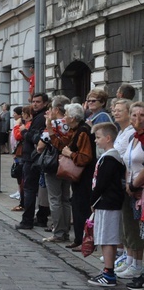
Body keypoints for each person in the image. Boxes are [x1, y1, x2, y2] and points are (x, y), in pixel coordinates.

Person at [87, 123, 126, 287]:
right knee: (104, 236)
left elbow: (102, 183)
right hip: (105, 202)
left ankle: (109, 273)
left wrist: (92, 200)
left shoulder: (111, 158)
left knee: (107, 237)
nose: (95, 141)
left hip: (107, 203)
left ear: (108, 138)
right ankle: (107, 271)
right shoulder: (108, 157)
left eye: (98, 137)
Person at [58, 103, 95, 250]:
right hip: (79, 176)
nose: (65, 117)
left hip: (84, 176)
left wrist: (70, 154)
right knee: (77, 206)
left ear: (73, 118)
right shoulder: (76, 130)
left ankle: (83, 240)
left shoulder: (83, 131)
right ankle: (79, 238)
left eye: (66, 114)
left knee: (82, 208)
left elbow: (85, 157)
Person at [39, 96, 72, 243]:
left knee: (54, 199)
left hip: (53, 164)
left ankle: (58, 232)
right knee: (65, 198)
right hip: (68, 163)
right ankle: (65, 230)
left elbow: (40, 145)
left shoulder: (53, 124)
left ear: (56, 109)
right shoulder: (70, 123)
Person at [16, 93, 50, 230]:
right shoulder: (38, 116)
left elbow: (36, 138)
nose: (35, 104)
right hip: (31, 157)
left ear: (45, 103)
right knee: (37, 189)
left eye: (38, 102)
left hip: (32, 158)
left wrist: (24, 132)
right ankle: (40, 217)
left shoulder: (41, 118)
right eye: (33, 101)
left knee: (30, 189)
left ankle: (27, 220)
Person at [120, 102, 144, 286]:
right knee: (130, 226)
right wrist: (129, 184)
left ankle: (138, 265)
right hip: (130, 187)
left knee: (139, 231)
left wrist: (135, 185)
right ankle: (132, 262)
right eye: (134, 115)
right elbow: (128, 162)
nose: (138, 119)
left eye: (141, 115)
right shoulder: (133, 138)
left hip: (140, 190)